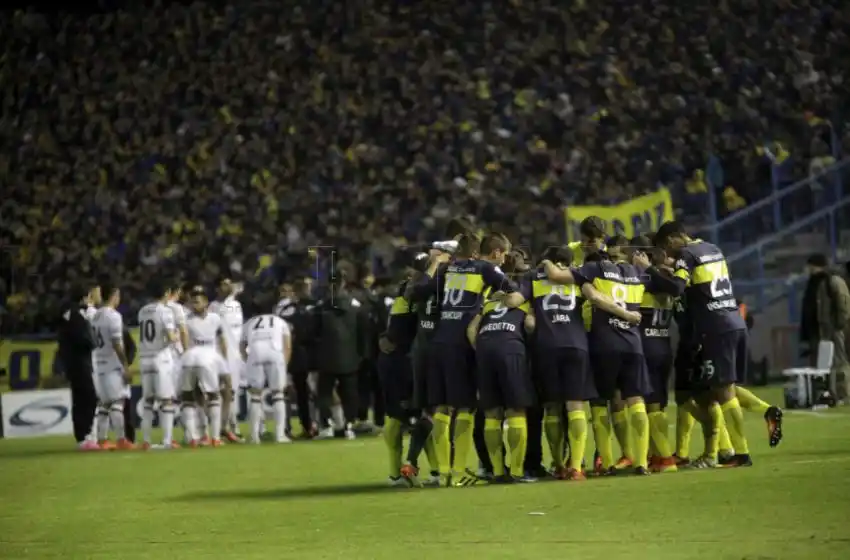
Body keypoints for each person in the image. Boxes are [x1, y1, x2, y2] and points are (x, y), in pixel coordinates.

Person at [412, 232, 515, 487]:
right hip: (462, 343)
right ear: (476, 253)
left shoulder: (448, 269)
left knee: (442, 408)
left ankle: (444, 472)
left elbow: (421, 290)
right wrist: (486, 305)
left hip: (438, 342)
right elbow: (511, 290)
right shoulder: (485, 269)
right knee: (466, 407)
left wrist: (435, 262)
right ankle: (458, 473)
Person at [655, 221, 759, 467]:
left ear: (672, 239)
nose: (669, 253)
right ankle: (736, 450)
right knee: (725, 388)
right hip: (734, 320)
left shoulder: (686, 254)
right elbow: (697, 280)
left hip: (715, 327)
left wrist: (647, 270)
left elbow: (677, 287)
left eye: (666, 247)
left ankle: (741, 453)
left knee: (723, 391)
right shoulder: (712, 249)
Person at [539, 251, 651, 475]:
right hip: (633, 343)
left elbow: (591, 295)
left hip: (604, 344)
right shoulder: (635, 272)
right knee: (635, 400)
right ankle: (641, 463)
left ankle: (607, 464)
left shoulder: (593, 270)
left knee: (599, 403)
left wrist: (545, 260)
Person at [525, 245, 596, 480]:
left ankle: (557, 464)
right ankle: (576, 466)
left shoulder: (534, 278)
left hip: (546, 346)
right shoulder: (577, 277)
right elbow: (595, 298)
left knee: (552, 408)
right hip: (576, 345)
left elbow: (519, 304)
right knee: (576, 407)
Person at [467, 251, 537, 483]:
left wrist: (482, 349)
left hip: (485, 349)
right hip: (510, 348)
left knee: (492, 413)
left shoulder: (490, 299)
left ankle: (497, 471)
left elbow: (471, 330)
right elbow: (529, 325)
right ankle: (517, 472)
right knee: (516, 410)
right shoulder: (524, 297)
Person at [377, 258, 422, 486]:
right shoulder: (401, 300)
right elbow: (390, 332)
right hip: (402, 364)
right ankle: (399, 473)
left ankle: (431, 471)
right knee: (403, 420)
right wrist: (384, 337)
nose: (408, 280)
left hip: (412, 363)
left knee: (423, 421)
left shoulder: (421, 298)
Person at [399, 252, 441, 487]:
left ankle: (411, 461)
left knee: (429, 413)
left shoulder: (412, 287)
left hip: (420, 350)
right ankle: (444, 471)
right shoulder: (447, 281)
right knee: (448, 412)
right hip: (442, 351)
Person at [313, 260, 362, 440]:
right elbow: (363, 331)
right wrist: (361, 354)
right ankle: (348, 426)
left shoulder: (321, 306)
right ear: (344, 282)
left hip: (327, 357)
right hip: (350, 356)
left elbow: (314, 332)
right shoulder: (355, 305)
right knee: (349, 394)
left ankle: (327, 426)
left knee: (324, 393)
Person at [181, 286, 228, 447]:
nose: (195, 304)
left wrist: (224, 360)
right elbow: (184, 340)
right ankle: (204, 436)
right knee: (198, 396)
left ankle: (207, 436)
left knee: (204, 397)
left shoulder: (215, 318)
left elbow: (222, 341)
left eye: (198, 301)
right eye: (192, 302)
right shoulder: (187, 319)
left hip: (208, 360)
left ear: (206, 302)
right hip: (198, 359)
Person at [800, 253, 850, 403]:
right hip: (818, 331)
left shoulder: (832, 281)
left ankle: (843, 394)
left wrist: (839, 325)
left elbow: (844, 304)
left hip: (832, 330)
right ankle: (827, 394)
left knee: (838, 362)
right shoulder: (814, 282)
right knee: (821, 365)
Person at [90, 282, 134, 450]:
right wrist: (125, 366)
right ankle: (122, 439)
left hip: (98, 365)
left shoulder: (95, 316)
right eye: (118, 296)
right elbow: (117, 344)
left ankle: (102, 440)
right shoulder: (113, 316)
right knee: (117, 402)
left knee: (103, 404)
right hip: (111, 365)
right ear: (114, 296)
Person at [137, 280, 180, 449]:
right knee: (166, 400)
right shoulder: (166, 311)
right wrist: (176, 336)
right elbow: (170, 336)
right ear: (166, 293)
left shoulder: (142, 311)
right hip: (160, 358)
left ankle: (146, 440)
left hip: (144, 359)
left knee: (148, 400)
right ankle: (167, 440)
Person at [58, 284, 99, 450]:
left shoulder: (67, 313)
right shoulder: (77, 315)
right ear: (84, 296)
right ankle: (85, 437)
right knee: (88, 397)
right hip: (80, 362)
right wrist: (91, 338)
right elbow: (85, 340)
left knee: (81, 399)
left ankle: (83, 437)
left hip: (72, 362)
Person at [241, 311, 292, 443]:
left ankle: (254, 436)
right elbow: (287, 345)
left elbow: (242, 345)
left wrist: (248, 360)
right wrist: (283, 365)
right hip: (275, 353)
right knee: (278, 394)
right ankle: (280, 435)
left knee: (255, 396)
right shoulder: (280, 321)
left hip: (255, 353)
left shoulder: (249, 322)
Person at [208, 277, 245, 443]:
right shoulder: (214, 307)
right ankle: (221, 428)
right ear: (217, 288)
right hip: (221, 354)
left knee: (233, 392)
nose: (228, 286)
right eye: (223, 283)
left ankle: (232, 426)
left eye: (230, 283)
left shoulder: (236, 305)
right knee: (222, 392)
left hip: (236, 353)